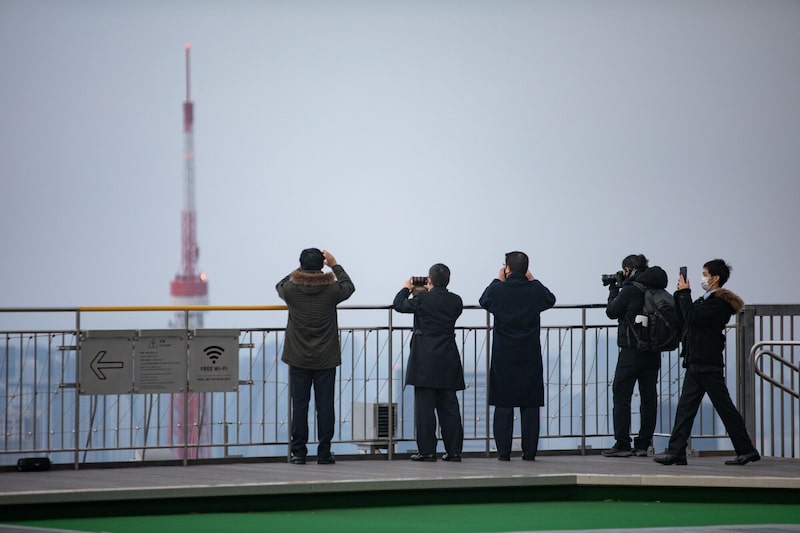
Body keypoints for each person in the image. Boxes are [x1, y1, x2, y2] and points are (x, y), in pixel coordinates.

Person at [654, 259, 760, 466]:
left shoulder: (718, 303)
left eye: (704, 273)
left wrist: (684, 294)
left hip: (707, 361)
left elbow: (693, 317)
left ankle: (746, 449)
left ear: (715, 278)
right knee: (686, 408)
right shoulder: (705, 300)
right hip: (697, 360)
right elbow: (685, 318)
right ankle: (676, 451)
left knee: (723, 407)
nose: (702, 277)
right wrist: (680, 294)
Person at [276, 248, 355, 465]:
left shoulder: (291, 289)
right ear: (322, 265)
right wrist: (335, 264)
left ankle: (298, 453)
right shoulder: (331, 289)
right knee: (325, 406)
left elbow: (279, 284)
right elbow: (349, 286)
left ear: (300, 264)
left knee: (299, 406)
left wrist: (301, 269)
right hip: (326, 357)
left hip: (298, 357)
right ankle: (324, 452)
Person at [479, 251, 556, 461]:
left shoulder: (498, 290)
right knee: (530, 404)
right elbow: (550, 299)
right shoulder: (534, 290)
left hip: (503, 354)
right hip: (529, 354)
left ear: (507, 268)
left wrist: (498, 278)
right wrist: (532, 279)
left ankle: (503, 453)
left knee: (503, 404)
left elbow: (484, 300)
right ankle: (529, 452)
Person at [393, 263, 466, 462]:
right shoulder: (456, 301)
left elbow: (398, 304)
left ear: (429, 280)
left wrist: (407, 288)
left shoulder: (422, 299)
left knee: (425, 409)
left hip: (424, 359)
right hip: (448, 357)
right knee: (450, 408)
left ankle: (427, 451)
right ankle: (454, 451)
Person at [603, 254, 668, 458]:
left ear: (629, 269)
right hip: (653, 350)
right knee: (648, 396)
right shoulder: (656, 288)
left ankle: (622, 443)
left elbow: (612, 311)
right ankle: (643, 444)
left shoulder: (631, 289)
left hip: (632, 350)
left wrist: (614, 289)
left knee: (621, 394)